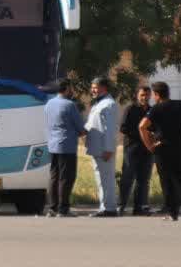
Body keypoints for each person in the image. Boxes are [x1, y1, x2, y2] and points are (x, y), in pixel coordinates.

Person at [140, 81, 181, 222]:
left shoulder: (155, 109)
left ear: (156, 94)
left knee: (167, 182)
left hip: (162, 149)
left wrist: (150, 146)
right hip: (179, 148)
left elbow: (142, 126)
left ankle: (173, 213)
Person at [44, 79, 86, 217]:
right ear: (67, 88)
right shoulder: (69, 105)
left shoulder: (49, 103)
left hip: (52, 144)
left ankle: (52, 208)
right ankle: (63, 209)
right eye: (71, 88)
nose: (72, 90)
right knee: (66, 178)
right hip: (66, 145)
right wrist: (84, 132)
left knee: (54, 177)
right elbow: (80, 127)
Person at [84, 77, 120, 218]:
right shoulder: (98, 104)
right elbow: (91, 124)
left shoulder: (108, 104)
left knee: (106, 178)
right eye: (92, 87)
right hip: (97, 147)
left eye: (95, 87)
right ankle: (105, 207)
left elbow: (110, 129)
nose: (92, 90)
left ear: (104, 88)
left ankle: (109, 208)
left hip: (104, 149)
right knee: (101, 178)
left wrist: (109, 149)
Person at [119, 85, 155, 216]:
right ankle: (121, 205)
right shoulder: (130, 109)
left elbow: (156, 128)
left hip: (147, 151)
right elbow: (123, 128)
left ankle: (139, 207)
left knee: (143, 180)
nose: (145, 98)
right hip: (132, 149)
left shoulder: (152, 111)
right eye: (142, 95)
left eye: (147, 95)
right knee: (127, 178)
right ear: (137, 96)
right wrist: (141, 134)